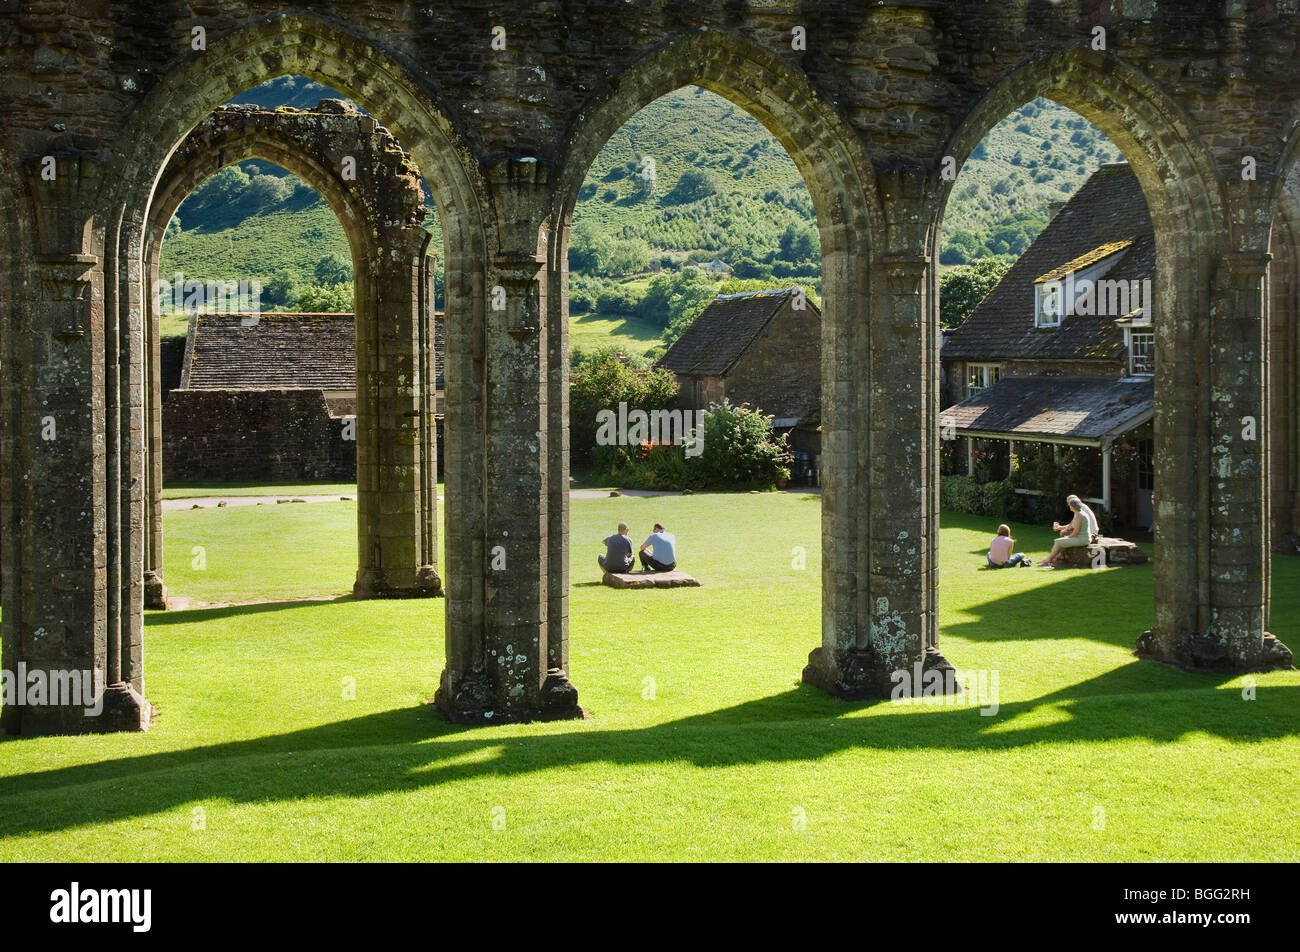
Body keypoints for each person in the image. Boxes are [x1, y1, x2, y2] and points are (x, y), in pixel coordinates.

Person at [1038, 494, 1100, 567]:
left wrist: (1068, 537)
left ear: (1073, 506)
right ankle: (1053, 558)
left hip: (1084, 539)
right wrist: (1060, 528)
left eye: (1069, 504)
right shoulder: (1079, 513)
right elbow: (1071, 525)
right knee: (1060, 540)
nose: (1068, 506)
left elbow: (1076, 532)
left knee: (1058, 541)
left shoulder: (1079, 515)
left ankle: (1048, 560)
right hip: (1083, 537)